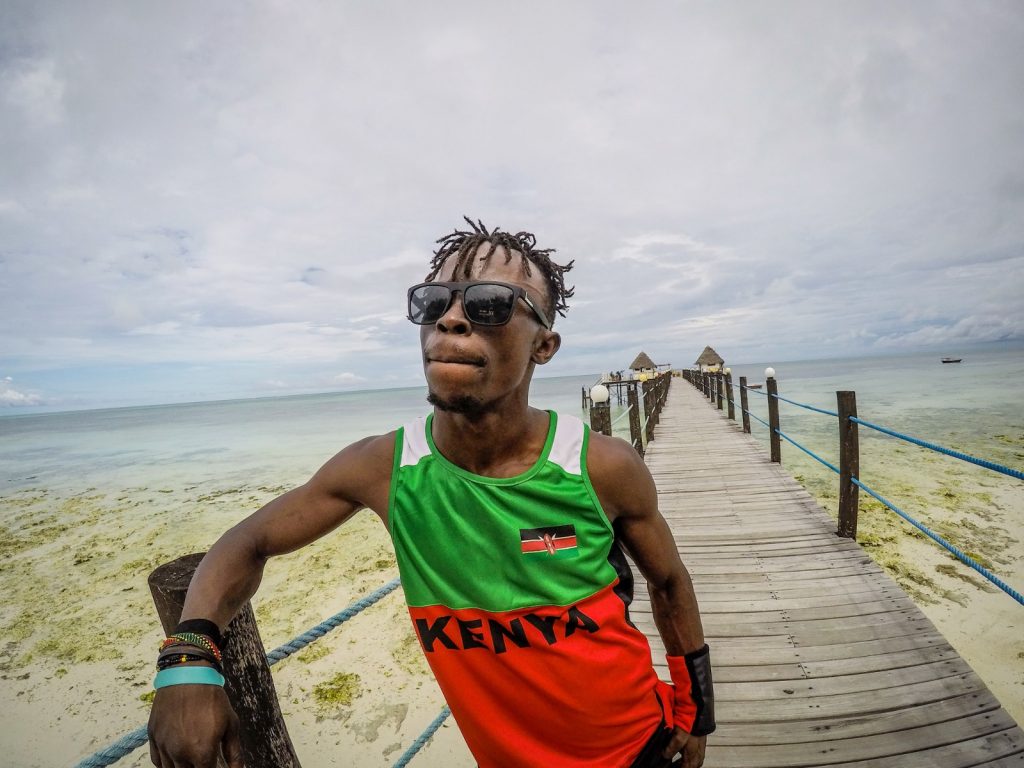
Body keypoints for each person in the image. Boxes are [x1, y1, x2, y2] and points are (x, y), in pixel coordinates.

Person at [147, 218, 715, 768]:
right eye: (433, 302)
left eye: (489, 304)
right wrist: (188, 662)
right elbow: (249, 540)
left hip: (638, 746)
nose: (453, 320)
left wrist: (697, 712)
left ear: (544, 345)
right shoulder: (385, 468)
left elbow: (669, 583)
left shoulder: (600, 467)